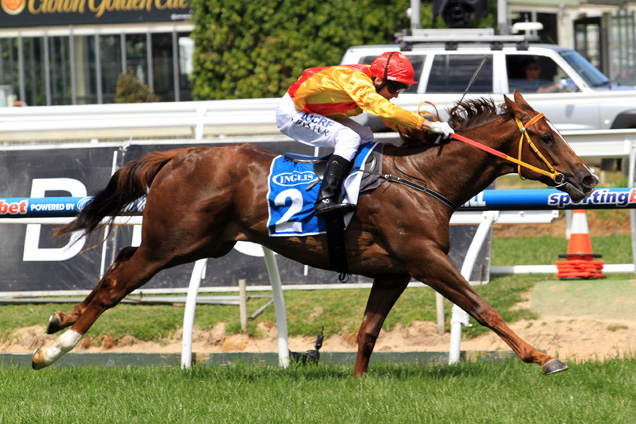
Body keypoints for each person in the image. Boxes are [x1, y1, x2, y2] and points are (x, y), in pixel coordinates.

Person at [276, 51, 454, 217]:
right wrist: (428, 124)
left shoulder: (371, 82)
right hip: (294, 112)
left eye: (402, 89)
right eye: (395, 88)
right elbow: (387, 111)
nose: (397, 95)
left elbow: (390, 120)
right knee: (349, 137)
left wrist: (423, 134)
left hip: (314, 111)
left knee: (365, 136)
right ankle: (325, 198)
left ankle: (356, 189)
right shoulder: (357, 81)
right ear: (378, 81)